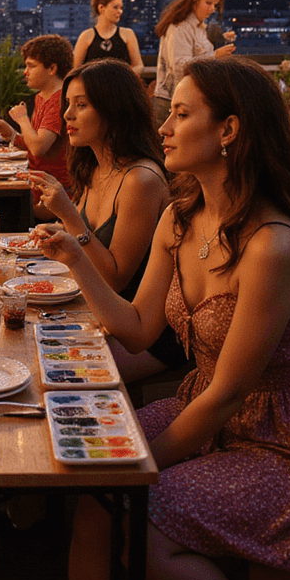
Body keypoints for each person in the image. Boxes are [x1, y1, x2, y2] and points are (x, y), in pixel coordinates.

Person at [35, 58, 290, 580]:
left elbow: (228, 394)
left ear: (229, 129)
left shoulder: (272, 245)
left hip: (285, 441)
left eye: (179, 113)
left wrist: (139, 464)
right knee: (94, 499)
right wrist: (75, 256)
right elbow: (139, 328)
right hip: (202, 409)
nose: (164, 129)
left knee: (138, 518)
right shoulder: (180, 217)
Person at [28, 59, 186, 379]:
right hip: (98, 309)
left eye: (81, 105)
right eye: (68, 104)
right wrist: (57, 228)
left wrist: (69, 216)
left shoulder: (141, 179)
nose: (67, 115)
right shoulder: (95, 165)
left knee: (44, 370)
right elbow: (93, 237)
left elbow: (115, 278)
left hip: (145, 333)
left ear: (114, 109)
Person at [0, 34, 73, 218]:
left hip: (57, 196)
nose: (25, 72)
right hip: (37, 187)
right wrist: (12, 134)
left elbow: (39, 148)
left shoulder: (59, 100)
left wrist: (22, 119)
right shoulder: (42, 97)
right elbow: (35, 144)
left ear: (52, 69)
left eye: (31, 66)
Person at [152, 0, 235, 125]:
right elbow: (179, 65)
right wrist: (214, 56)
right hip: (171, 102)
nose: (212, 9)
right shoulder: (180, 27)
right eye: (208, 3)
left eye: (215, 5)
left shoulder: (200, 28)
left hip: (190, 99)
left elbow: (198, 53)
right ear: (195, 0)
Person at [72, 0, 145, 76]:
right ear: (101, 8)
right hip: (94, 87)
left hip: (122, 86)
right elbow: (75, 69)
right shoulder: (86, 36)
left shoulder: (128, 34)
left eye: (121, 8)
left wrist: (123, 77)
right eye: (115, 7)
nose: (120, 11)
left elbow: (139, 65)